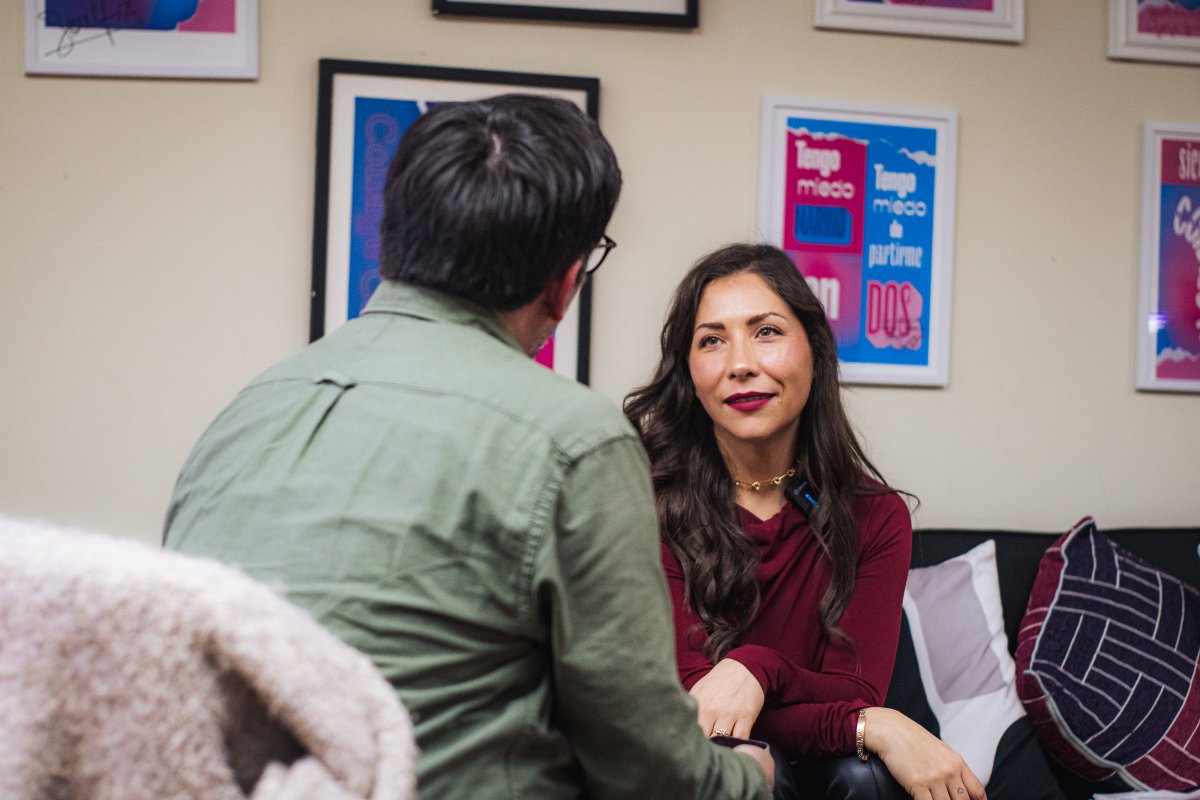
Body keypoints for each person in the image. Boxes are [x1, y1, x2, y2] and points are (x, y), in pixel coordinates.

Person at [163, 96, 774, 800]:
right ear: (564, 284)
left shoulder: (248, 410)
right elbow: (647, 772)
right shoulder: (576, 438)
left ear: (395, 245)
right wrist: (753, 777)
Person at [623, 243, 986, 800]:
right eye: (712, 340)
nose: (740, 364)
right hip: (686, 763)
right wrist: (874, 725)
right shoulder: (646, 501)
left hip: (820, 770)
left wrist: (757, 669)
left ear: (814, 351)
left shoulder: (875, 515)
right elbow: (700, 706)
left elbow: (851, 692)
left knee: (864, 777)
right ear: (689, 372)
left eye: (766, 331)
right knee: (741, 766)